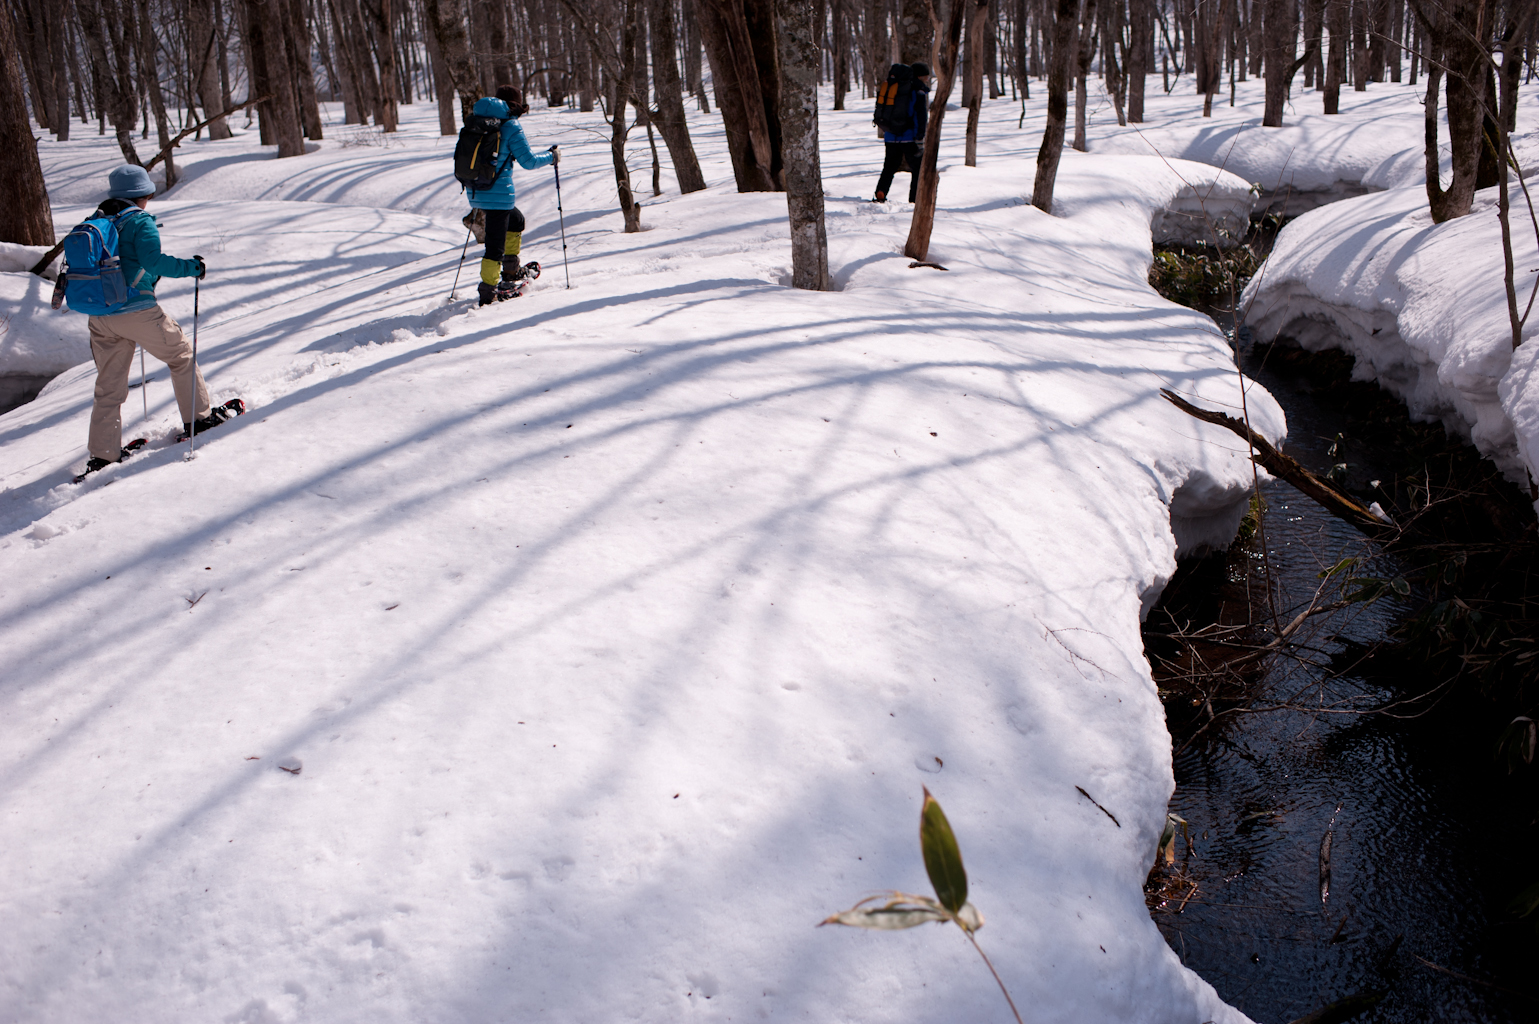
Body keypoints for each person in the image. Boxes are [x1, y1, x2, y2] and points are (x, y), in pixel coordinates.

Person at [79, 165, 241, 478]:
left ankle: (102, 456)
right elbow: (153, 261)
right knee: (181, 357)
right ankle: (199, 420)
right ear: (144, 194)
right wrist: (192, 267)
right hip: (136, 311)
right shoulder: (139, 221)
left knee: (108, 387)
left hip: (99, 316)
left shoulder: (95, 221)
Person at [466, 85, 557, 306]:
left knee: (516, 220)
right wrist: (552, 156)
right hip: (498, 195)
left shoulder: (479, 123)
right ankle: (488, 292)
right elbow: (529, 161)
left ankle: (511, 270)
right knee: (494, 246)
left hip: (476, 190)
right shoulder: (511, 126)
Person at [872, 62, 931, 204]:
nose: (927, 80)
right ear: (920, 76)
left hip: (890, 135)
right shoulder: (917, 91)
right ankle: (914, 201)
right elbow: (920, 116)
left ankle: (881, 191)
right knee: (917, 168)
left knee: (889, 166)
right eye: (926, 77)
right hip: (909, 136)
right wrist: (919, 137)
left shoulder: (895, 87)